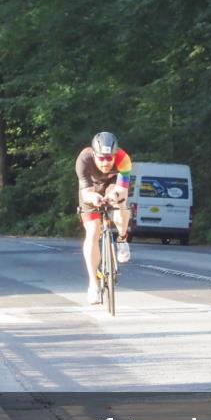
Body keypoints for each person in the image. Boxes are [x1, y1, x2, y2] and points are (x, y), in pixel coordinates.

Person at [75, 131, 132, 305]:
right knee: (92, 232)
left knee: (121, 205)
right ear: (94, 154)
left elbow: (122, 189)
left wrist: (114, 196)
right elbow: (86, 193)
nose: (106, 162)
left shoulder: (123, 159)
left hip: (113, 186)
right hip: (91, 189)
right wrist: (94, 198)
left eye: (109, 158)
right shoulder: (83, 159)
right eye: (101, 158)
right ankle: (93, 284)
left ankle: (122, 239)